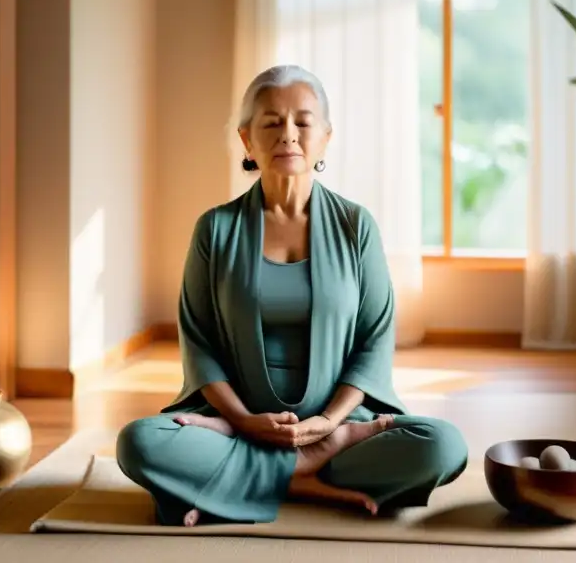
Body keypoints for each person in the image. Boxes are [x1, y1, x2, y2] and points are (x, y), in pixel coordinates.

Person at [116, 64, 469, 527]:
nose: (288, 135)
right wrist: (241, 421)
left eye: (303, 122)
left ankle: (256, 478)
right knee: (139, 443)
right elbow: (198, 343)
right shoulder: (216, 229)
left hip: (341, 421)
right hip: (237, 425)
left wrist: (329, 425)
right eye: (271, 122)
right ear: (247, 139)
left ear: (324, 137)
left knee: (442, 446)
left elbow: (373, 342)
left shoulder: (355, 226)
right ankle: (312, 480)